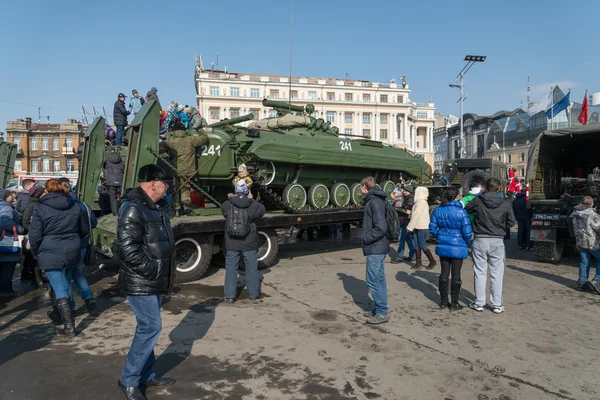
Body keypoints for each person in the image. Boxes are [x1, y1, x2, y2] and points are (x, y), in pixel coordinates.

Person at [117, 164, 175, 400]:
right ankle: (129, 380)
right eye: (165, 184)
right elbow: (126, 247)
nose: (168, 188)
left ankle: (145, 374)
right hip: (142, 281)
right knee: (150, 326)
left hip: (154, 280)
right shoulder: (133, 207)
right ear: (153, 183)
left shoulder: (155, 207)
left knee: (149, 328)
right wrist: (151, 270)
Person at [28, 179, 85, 335]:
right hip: (72, 249)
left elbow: (34, 235)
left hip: (50, 251)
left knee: (59, 287)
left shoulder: (41, 208)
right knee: (65, 283)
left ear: (47, 190)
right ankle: (60, 313)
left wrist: (35, 252)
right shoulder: (74, 205)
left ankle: (69, 327)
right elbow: (83, 229)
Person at [465, 178, 516, 314]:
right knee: (496, 274)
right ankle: (497, 304)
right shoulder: (505, 203)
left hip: (480, 239)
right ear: (499, 188)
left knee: (479, 272)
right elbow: (511, 222)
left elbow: (467, 209)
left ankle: (479, 303)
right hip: (497, 240)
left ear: (485, 188)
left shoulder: (478, 200)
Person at [221, 180, 266, 304]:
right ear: (247, 191)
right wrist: (252, 199)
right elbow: (262, 211)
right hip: (249, 242)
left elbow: (225, 213)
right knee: (251, 269)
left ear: (235, 191)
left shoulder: (227, 204)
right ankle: (253, 295)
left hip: (231, 242)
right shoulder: (253, 205)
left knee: (231, 268)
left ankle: (229, 296)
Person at [429, 187, 472, 310]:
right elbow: (467, 231)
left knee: (444, 272)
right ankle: (454, 303)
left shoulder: (438, 210)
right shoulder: (461, 212)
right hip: (458, 244)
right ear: (457, 196)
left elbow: (432, 228)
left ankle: (443, 301)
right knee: (456, 274)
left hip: (443, 243)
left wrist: (440, 236)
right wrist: (466, 241)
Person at [58, 178, 97, 312]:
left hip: (67, 246)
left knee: (67, 277)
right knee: (78, 273)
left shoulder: (62, 207)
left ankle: (71, 306)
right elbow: (94, 223)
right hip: (82, 245)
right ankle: (88, 297)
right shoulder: (84, 205)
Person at [163, 117, 208, 216]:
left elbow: (160, 148)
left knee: (175, 189)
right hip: (188, 169)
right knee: (185, 188)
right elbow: (205, 139)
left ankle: (176, 209)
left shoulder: (169, 141)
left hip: (175, 169)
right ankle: (186, 206)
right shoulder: (190, 139)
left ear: (174, 131)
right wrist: (199, 129)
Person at [360, 176, 390, 325]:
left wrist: (366, 238)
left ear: (365, 187)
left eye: (361, 187)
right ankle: (380, 308)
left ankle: (382, 312)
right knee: (379, 278)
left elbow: (381, 227)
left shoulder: (374, 202)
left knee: (372, 279)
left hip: (375, 247)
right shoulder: (375, 200)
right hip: (378, 246)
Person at [569, 196, 600, 290]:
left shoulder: (575, 213)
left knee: (584, 261)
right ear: (592, 204)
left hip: (580, 242)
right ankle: (597, 280)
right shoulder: (593, 215)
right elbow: (598, 228)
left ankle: (582, 282)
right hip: (592, 243)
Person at [0, 189, 24, 297]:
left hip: (2, 239)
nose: (13, 196)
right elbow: (6, 222)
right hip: (7, 240)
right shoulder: (6, 208)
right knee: (8, 266)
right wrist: (20, 228)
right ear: (6, 196)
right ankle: (6, 290)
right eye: (11, 194)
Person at [21, 185, 45, 288]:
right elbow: (25, 221)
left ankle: (33, 277)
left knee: (33, 258)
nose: (45, 194)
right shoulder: (32, 205)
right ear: (39, 194)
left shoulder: (37, 204)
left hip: (35, 233)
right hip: (33, 234)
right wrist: (35, 231)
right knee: (34, 258)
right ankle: (37, 280)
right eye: (43, 193)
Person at [407, 186, 436, 269]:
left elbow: (415, 216)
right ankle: (418, 263)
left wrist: (409, 227)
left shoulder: (420, 203)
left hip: (422, 227)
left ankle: (432, 261)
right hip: (418, 226)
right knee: (417, 245)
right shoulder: (420, 202)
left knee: (422, 245)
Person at [391, 185, 416, 264]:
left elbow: (408, 211)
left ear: (410, 191)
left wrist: (397, 209)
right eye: (404, 190)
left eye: (406, 191)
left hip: (405, 221)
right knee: (408, 239)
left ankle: (399, 257)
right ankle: (413, 255)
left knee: (401, 240)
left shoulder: (410, 199)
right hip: (404, 221)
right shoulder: (406, 198)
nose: (404, 192)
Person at [104, 147, 125, 215]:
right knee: (123, 196)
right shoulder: (122, 162)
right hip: (120, 181)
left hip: (111, 181)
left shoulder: (107, 162)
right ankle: (123, 210)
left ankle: (115, 212)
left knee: (113, 197)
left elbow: (104, 166)